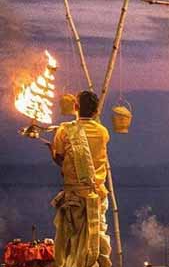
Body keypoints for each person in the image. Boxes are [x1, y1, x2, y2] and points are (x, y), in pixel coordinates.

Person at [48, 91, 112, 267]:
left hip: (74, 197)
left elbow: (60, 159)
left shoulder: (65, 130)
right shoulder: (102, 132)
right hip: (97, 195)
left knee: (71, 242)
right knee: (97, 240)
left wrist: (52, 153)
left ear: (75, 107)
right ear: (96, 112)